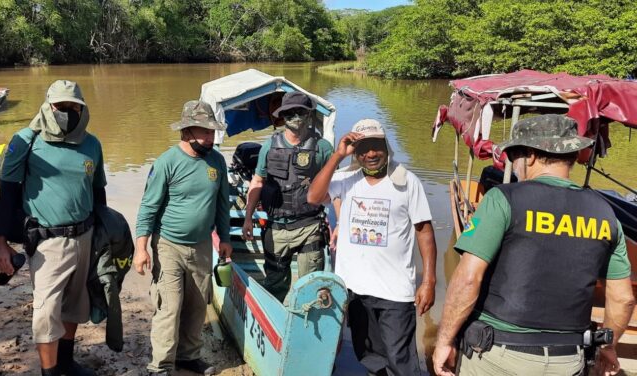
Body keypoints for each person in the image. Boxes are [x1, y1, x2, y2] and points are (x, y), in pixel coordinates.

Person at [431, 114, 635, 376]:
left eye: (513, 156)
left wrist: (445, 341)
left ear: (530, 156)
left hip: (498, 358)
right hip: (568, 361)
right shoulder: (605, 213)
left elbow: (468, 279)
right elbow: (623, 298)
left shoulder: (502, 199)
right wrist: (608, 347)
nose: (513, 165)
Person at [0, 80, 106, 376]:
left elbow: (98, 193)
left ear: (82, 108)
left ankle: (67, 361)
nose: (67, 112)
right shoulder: (26, 140)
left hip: (85, 235)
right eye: (60, 106)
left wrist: (105, 235)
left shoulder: (92, 144)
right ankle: (50, 371)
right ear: (48, 106)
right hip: (47, 241)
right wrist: (0, 242)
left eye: (73, 107)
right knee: (45, 312)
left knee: (75, 304)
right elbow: (7, 193)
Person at [307, 119, 437, 376]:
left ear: (386, 145)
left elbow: (424, 231)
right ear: (355, 152)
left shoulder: (407, 182)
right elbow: (313, 197)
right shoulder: (346, 179)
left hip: (395, 293)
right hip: (354, 290)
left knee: (401, 362)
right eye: (362, 148)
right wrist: (337, 155)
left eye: (376, 146)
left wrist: (430, 281)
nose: (370, 154)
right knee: (367, 356)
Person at [133, 100, 233, 376]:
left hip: (202, 246)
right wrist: (141, 249)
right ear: (187, 131)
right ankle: (161, 365)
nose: (210, 137)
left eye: (213, 132)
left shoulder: (217, 161)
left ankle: (188, 357)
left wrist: (224, 238)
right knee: (170, 307)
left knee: (197, 304)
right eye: (205, 131)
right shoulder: (167, 162)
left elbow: (223, 203)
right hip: (168, 245)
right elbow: (148, 208)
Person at [241, 91, 333, 302]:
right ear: (282, 116)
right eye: (290, 112)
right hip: (276, 227)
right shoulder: (269, 146)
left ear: (309, 114)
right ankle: (275, 322)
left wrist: (336, 226)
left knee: (311, 285)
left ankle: (307, 326)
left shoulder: (323, 148)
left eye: (300, 111)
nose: (295, 117)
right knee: (275, 283)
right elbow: (257, 182)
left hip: (309, 226)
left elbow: (335, 189)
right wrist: (248, 218)